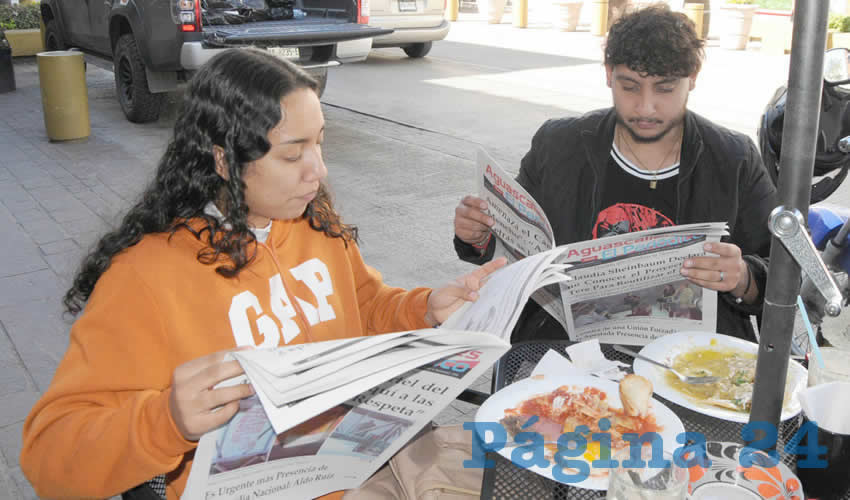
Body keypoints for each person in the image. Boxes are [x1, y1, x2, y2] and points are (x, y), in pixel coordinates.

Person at [19, 49, 505, 500]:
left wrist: (424, 307)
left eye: (319, 142)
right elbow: (49, 457)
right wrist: (164, 420)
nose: (317, 171)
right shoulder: (145, 278)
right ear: (223, 159)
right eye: (292, 155)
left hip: (365, 465)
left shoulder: (315, 224)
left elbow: (365, 306)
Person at [452, 4, 776, 343]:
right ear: (609, 74)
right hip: (567, 345)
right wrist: (479, 236)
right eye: (630, 86)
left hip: (691, 355)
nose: (646, 107)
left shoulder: (733, 158)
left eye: (665, 88)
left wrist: (742, 278)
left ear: (692, 78)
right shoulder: (559, 145)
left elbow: (785, 273)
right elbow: (517, 246)